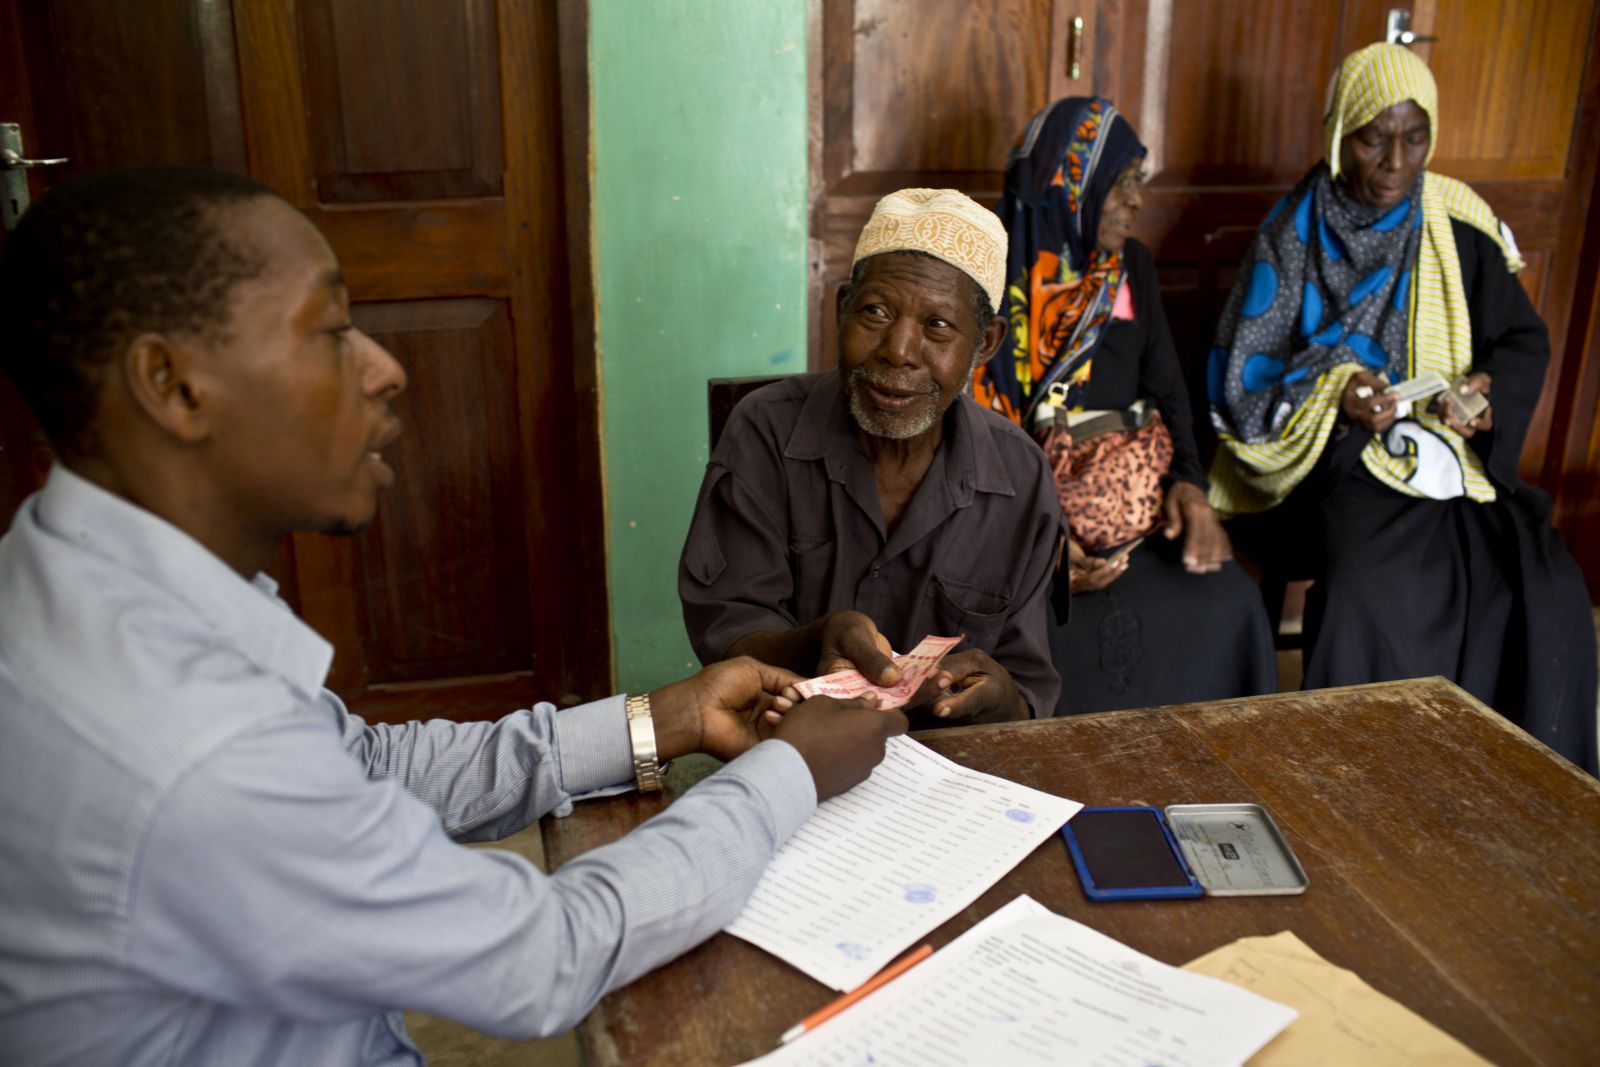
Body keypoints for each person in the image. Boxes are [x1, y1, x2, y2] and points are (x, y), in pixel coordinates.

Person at [0, 165, 908, 1066]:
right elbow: (543, 954)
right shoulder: (190, 743)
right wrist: (791, 770)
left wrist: (660, 718)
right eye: (329, 331)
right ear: (174, 383)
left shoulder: (77, 584)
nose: (386, 368)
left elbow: (357, 767)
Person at [1207, 44, 1597, 774]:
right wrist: (1338, 395)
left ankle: (1506, 776)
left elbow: (1520, 339)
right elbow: (1243, 377)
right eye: (1372, 137)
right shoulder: (1292, 233)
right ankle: (1358, 774)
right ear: (1338, 135)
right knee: (1369, 584)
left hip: (1454, 456)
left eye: (1413, 138)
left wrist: (1484, 394)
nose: (1393, 161)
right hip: (1339, 461)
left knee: (1542, 580)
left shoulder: (1455, 222)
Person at [679, 188, 1066, 726]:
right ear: (842, 311)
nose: (898, 350)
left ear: (986, 344)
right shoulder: (765, 430)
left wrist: (1000, 697)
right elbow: (727, 630)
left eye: (938, 326)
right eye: (876, 312)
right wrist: (817, 640)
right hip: (789, 748)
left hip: (950, 766)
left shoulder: (1020, 476)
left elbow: (1025, 686)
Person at [972, 97, 1276, 714]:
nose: (1137, 203)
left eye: (1139, 185)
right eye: (1123, 185)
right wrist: (1041, 545)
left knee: (1229, 601)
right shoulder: (987, 271)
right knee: (1040, 628)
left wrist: (1191, 486)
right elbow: (969, 430)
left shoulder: (1129, 267)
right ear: (1069, 184)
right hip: (1015, 520)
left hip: (1129, 511)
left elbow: (1167, 391)